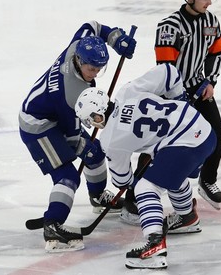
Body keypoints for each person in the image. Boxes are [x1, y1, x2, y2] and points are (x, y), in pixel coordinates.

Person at [75, 64, 217, 269]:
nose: (94, 124)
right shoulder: (127, 92)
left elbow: (122, 180)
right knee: (168, 171)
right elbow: (169, 72)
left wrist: (133, 182)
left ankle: (154, 246)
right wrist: (179, 98)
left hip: (186, 143)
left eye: (91, 120)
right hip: (203, 129)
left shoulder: (110, 139)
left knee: (145, 187)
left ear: (97, 116)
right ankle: (187, 217)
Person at [19, 20, 136, 252]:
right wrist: (101, 120)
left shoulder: (78, 45)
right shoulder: (72, 95)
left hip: (52, 114)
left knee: (94, 153)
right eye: (92, 69)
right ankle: (53, 224)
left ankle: (98, 196)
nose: (96, 73)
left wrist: (115, 39)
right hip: (37, 125)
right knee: (68, 176)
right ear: (80, 61)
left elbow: (91, 25)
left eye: (100, 68)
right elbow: (73, 137)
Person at [152, 0, 221, 210]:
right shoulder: (169, 26)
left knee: (218, 133)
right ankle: (134, 197)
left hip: (198, 86)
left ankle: (208, 180)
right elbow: (165, 68)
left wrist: (210, 81)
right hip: (169, 91)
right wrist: (179, 98)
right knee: (159, 144)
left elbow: (218, 52)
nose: (210, 2)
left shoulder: (211, 21)